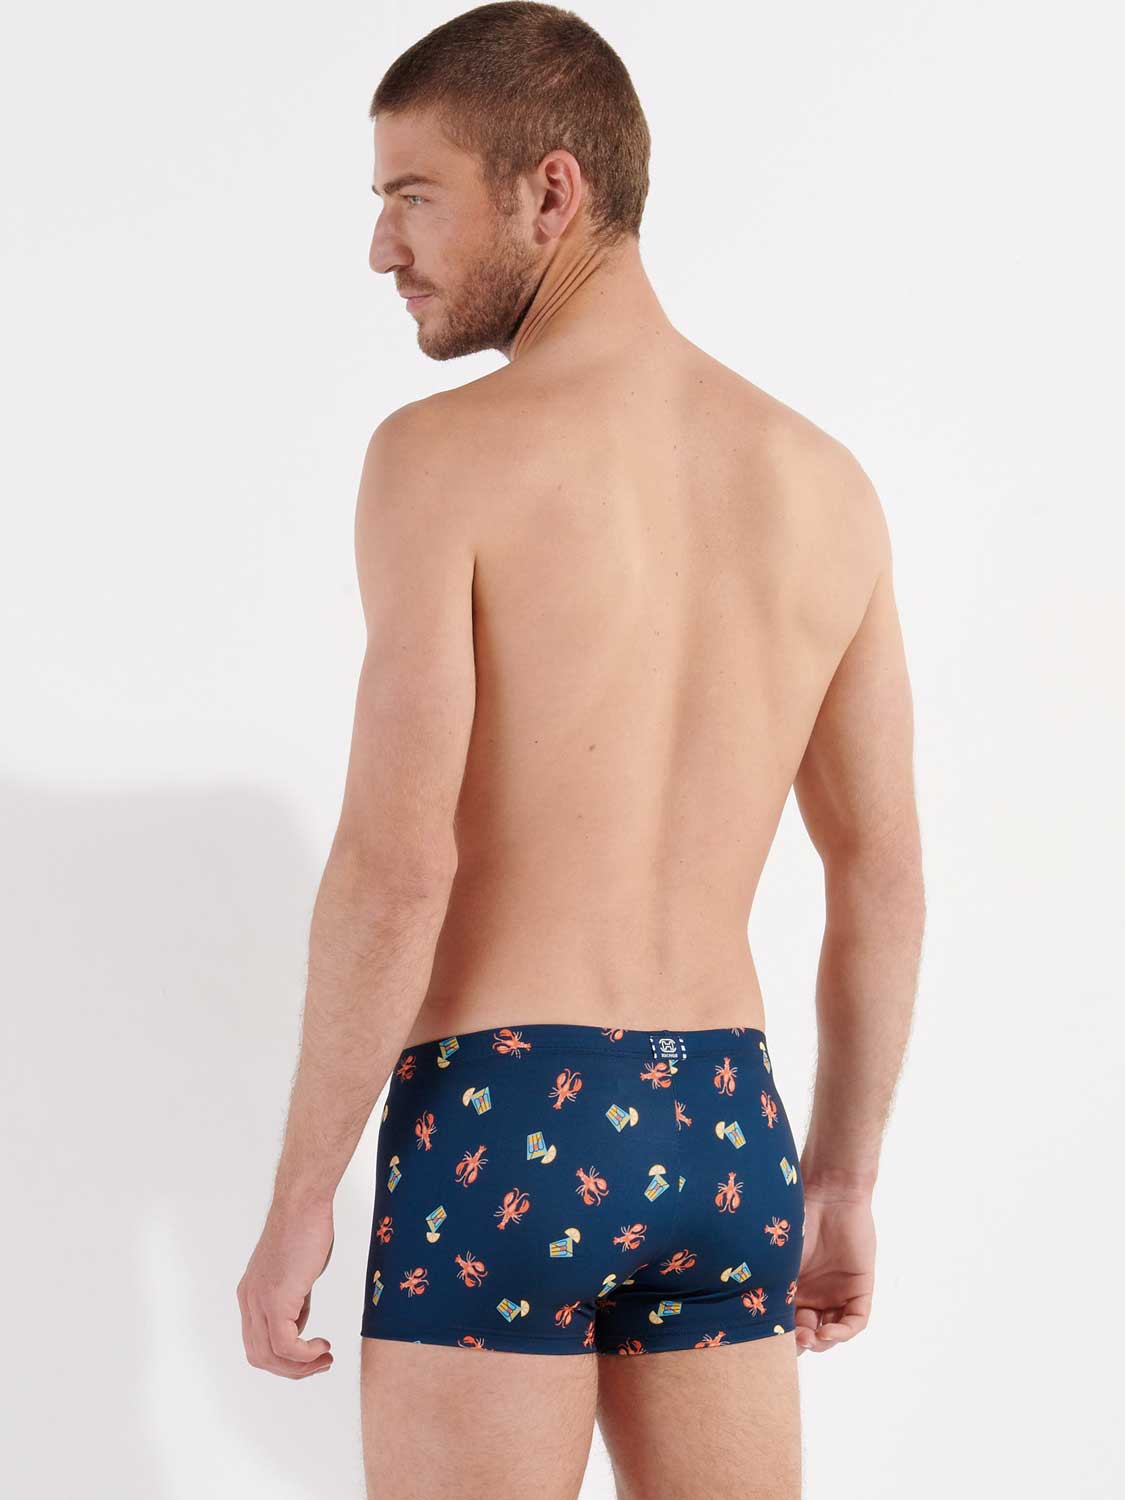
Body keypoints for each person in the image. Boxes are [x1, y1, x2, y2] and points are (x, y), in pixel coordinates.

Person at [236, 4, 926, 1497]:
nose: (382, 247)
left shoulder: (441, 458)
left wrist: (301, 1198)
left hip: (510, 1115)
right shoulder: (824, 484)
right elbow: (878, 873)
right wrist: (843, 1180)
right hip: (728, 1130)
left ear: (552, 190)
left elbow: (397, 863)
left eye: (413, 196)